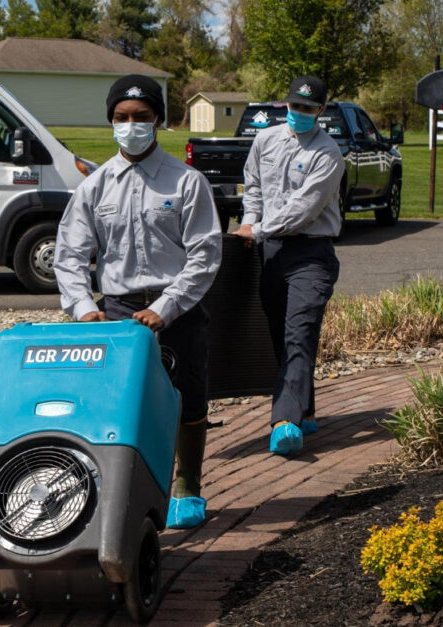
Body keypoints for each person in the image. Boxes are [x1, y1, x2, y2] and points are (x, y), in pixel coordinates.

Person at [54, 74, 222, 529]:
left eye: (141, 117)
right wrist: (84, 308)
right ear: (111, 121)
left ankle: (187, 485)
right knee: (119, 405)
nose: (131, 126)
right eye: (121, 117)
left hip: (178, 309)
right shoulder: (94, 187)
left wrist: (166, 307)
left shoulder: (187, 183)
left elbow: (205, 255)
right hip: (118, 313)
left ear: (158, 120)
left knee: (187, 394)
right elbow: (69, 255)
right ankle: (124, 488)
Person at [233, 75, 343, 456]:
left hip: (311, 254)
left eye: (308, 108)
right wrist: (249, 221)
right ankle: (304, 408)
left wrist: (258, 229)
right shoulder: (265, 140)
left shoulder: (328, 154)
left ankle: (285, 422)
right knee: (281, 335)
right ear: (286, 104)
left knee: (300, 332)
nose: (300, 113)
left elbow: (302, 210)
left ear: (321, 110)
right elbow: (253, 187)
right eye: (295, 106)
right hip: (271, 252)